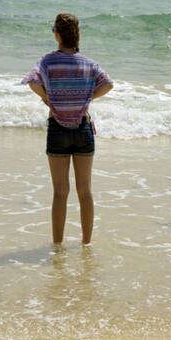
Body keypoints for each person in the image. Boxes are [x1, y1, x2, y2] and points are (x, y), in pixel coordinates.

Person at [22, 12, 113, 247]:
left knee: (60, 192)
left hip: (57, 128)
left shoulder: (47, 61)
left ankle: (58, 245)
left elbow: (32, 81)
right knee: (85, 191)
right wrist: (87, 98)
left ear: (58, 34)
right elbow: (109, 84)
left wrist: (47, 99)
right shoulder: (89, 64)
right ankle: (86, 243)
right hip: (83, 128)